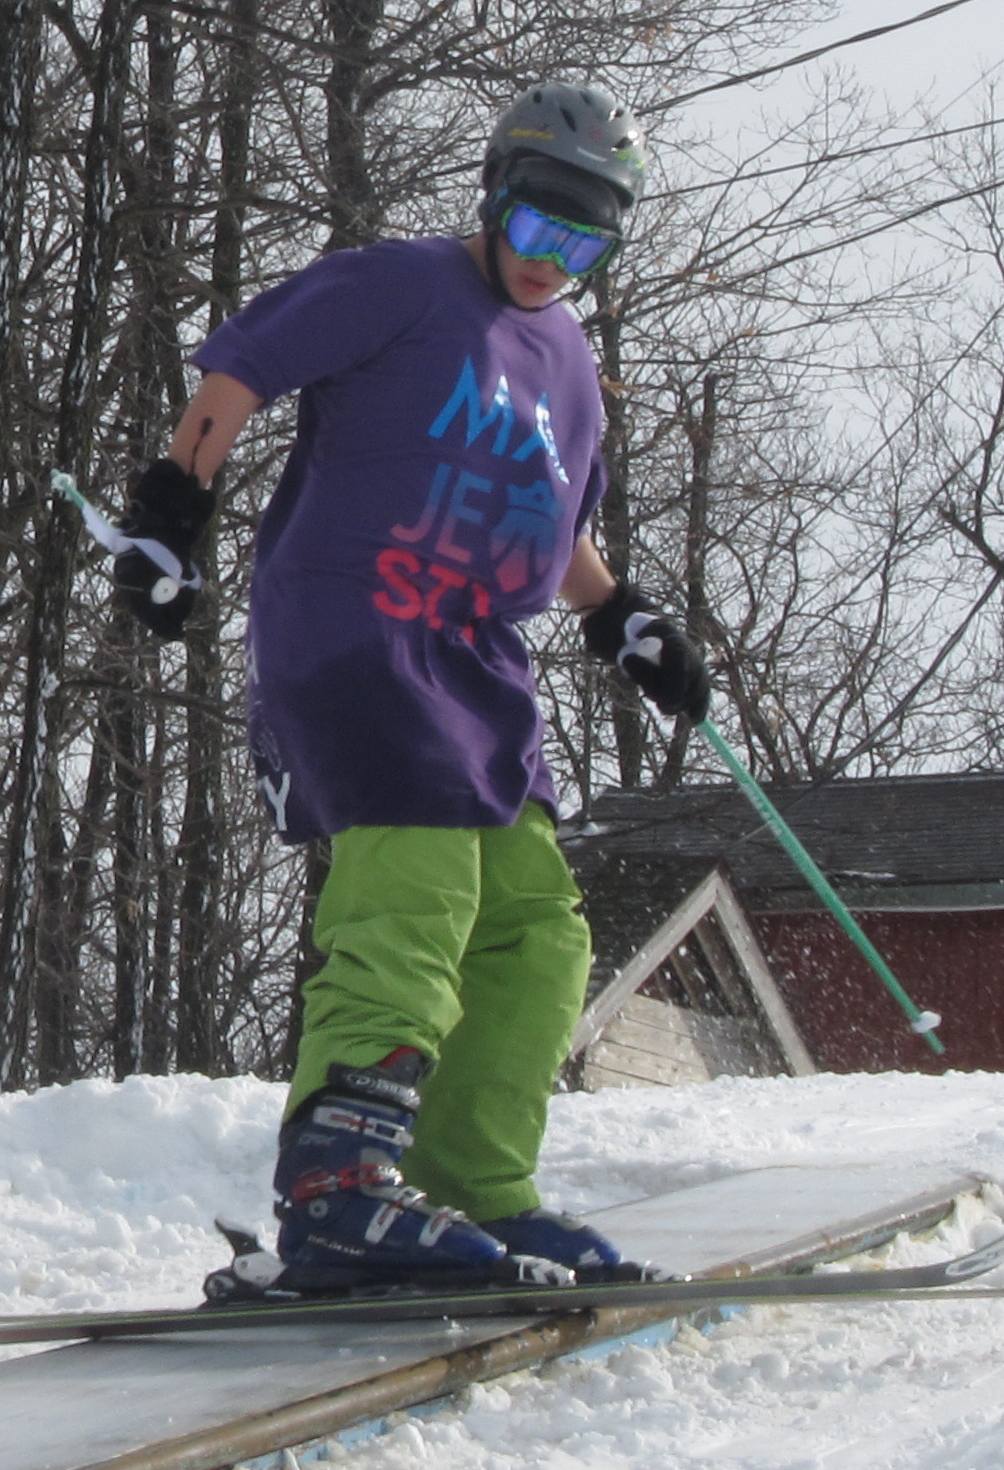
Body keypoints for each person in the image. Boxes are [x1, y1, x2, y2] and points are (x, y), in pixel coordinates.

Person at [107, 82, 712, 1295]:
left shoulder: (570, 367)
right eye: (538, 229)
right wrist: (170, 513)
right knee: (417, 891)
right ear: (495, 196)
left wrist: (620, 615)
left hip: (478, 667)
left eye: (584, 245)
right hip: (356, 632)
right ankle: (335, 1189)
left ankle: (478, 1189)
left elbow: (561, 522)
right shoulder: (398, 284)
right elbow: (241, 370)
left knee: (536, 928)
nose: (553, 263)